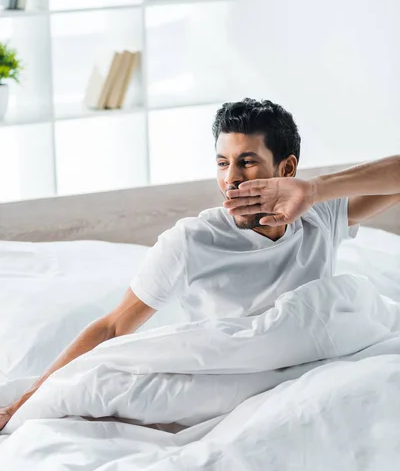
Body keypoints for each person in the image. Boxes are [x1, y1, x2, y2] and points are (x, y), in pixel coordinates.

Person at [1, 98, 399, 430]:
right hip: (224, 376)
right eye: (222, 163)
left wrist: (316, 190)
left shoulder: (320, 214)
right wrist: (30, 398)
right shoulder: (191, 240)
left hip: (310, 368)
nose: (231, 179)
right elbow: (113, 326)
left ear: (287, 169)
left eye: (247, 162)